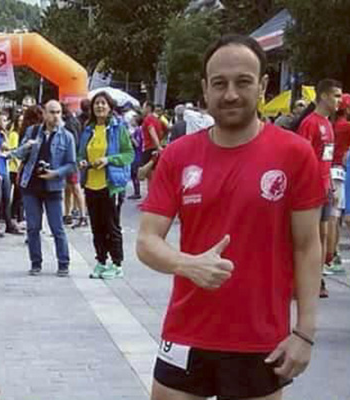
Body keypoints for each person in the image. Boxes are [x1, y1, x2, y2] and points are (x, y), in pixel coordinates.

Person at [137, 34, 324, 400]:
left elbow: (307, 247)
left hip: (260, 340)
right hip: (186, 333)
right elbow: (146, 241)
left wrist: (305, 332)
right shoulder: (178, 155)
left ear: (263, 86)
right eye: (220, 83)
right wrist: (188, 264)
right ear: (205, 89)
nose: (231, 94)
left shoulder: (295, 153)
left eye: (243, 82)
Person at [10, 100, 76, 277]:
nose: (55, 116)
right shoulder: (33, 131)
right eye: (52, 112)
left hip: (53, 186)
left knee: (57, 228)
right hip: (31, 185)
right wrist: (27, 146)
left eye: (58, 112)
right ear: (45, 114)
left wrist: (56, 173)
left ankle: (63, 263)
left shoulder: (67, 136)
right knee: (33, 227)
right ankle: (35, 262)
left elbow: (71, 164)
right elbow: (18, 154)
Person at [78, 92, 134, 280]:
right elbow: (80, 154)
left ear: (110, 107)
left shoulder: (118, 128)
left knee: (112, 226)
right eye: (96, 103)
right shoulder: (88, 129)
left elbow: (129, 154)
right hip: (90, 184)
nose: (99, 106)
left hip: (111, 185)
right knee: (96, 226)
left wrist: (108, 160)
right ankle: (101, 261)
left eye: (103, 103)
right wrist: (82, 161)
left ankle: (117, 264)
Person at [297, 78, 343, 299]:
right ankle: (303, 280)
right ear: (323, 96)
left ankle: (317, 277)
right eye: (336, 95)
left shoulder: (328, 124)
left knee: (323, 235)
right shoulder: (310, 123)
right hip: (311, 190)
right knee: (310, 237)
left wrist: (330, 185)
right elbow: (301, 157)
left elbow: (327, 158)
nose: (339, 100)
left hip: (326, 188)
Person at [327, 93, 350, 275]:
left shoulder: (330, 124)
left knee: (331, 218)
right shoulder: (346, 127)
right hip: (338, 172)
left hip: (330, 170)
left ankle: (331, 254)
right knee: (334, 218)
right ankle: (332, 256)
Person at [0, 111, 20, 237]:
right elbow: (5, 147)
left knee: (7, 198)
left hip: (4, 168)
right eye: (4, 120)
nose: (6, 123)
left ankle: (8, 224)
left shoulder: (1, 134)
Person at [62, 103, 87, 228]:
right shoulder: (73, 121)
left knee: (75, 187)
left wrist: (75, 158)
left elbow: (75, 141)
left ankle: (82, 216)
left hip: (71, 159)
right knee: (69, 188)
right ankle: (67, 214)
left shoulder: (69, 124)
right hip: (71, 159)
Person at [7, 113, 24, 224]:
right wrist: (18, 166)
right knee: (17, 193)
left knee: (18, 194)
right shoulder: (14, 134)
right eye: (20, 120)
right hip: (13, 168)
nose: (21, 123)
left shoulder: (21, 134)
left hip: (17, 168)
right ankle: (16, 215)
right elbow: (13, 151)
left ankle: (16, 213)